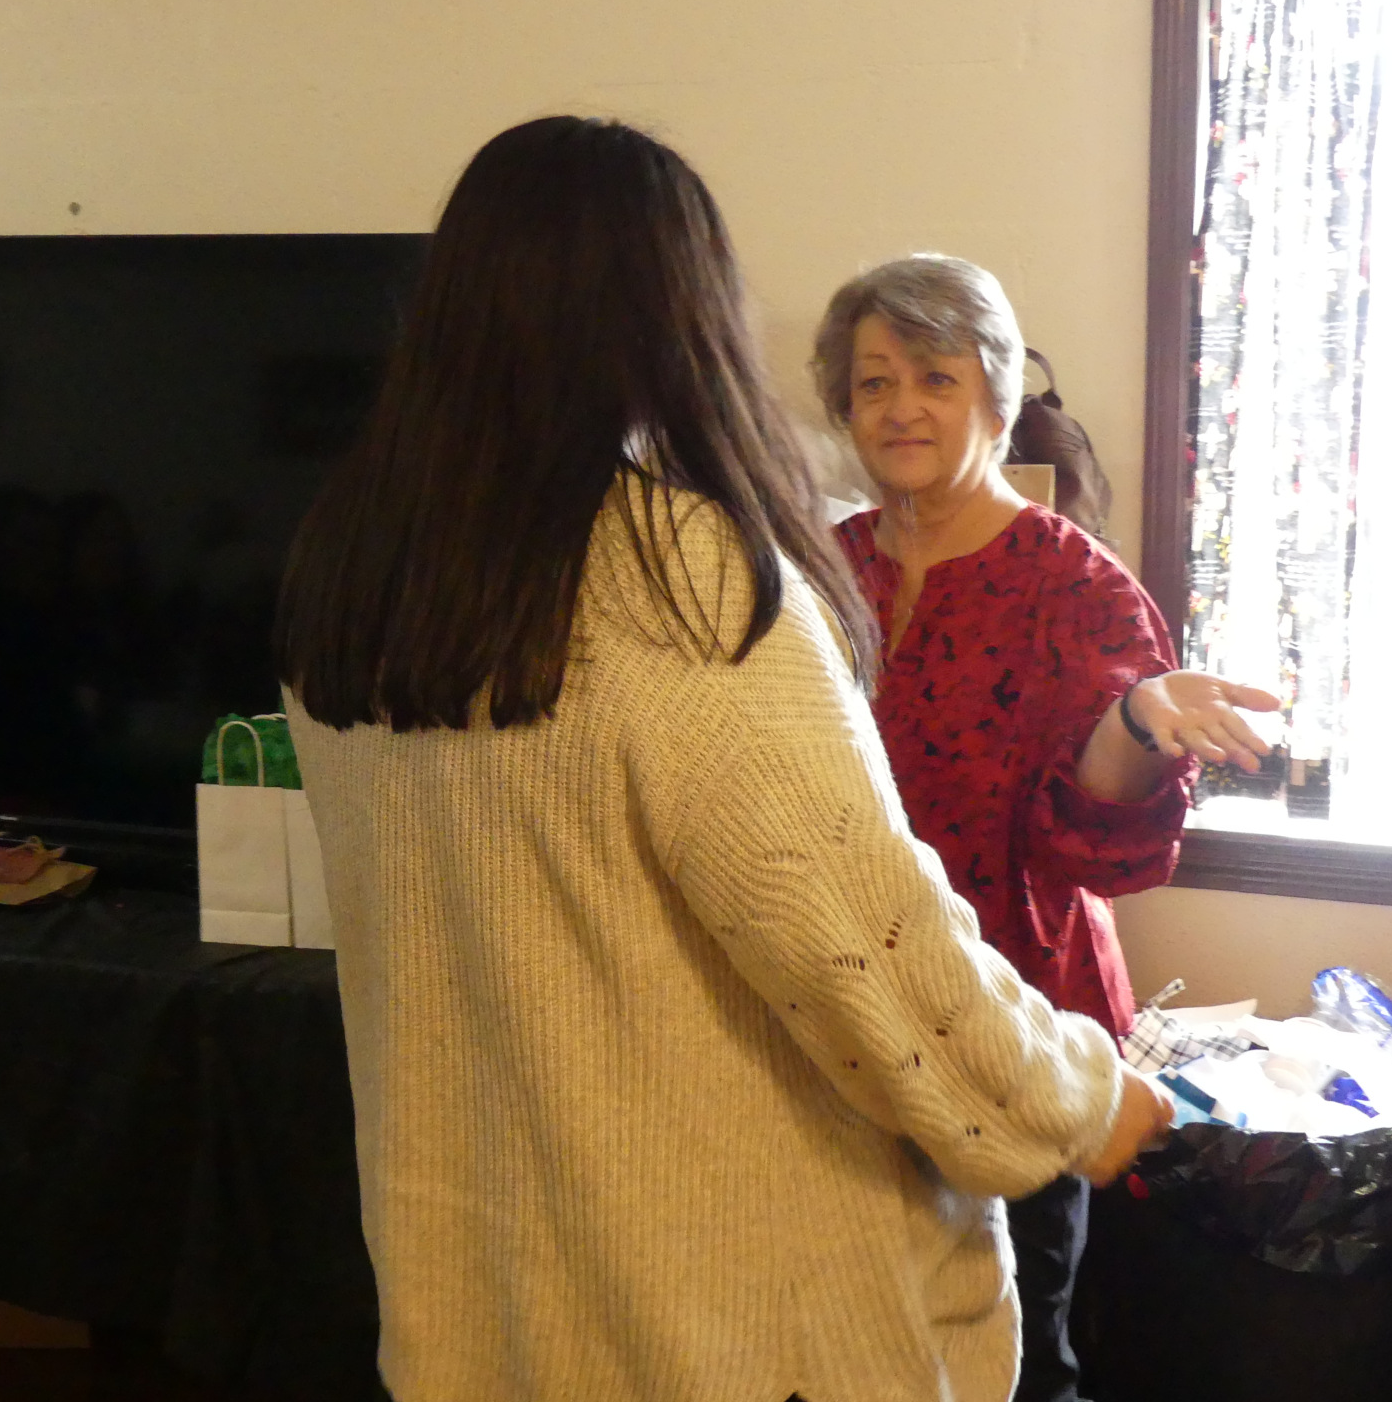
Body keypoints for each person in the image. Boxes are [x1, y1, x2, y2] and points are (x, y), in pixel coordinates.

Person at [276, 118, 1172, 1402]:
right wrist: (1077, 1098)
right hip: (715, 1310)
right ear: (678, 314)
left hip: (483, 1293)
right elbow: (860, 939)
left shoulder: (356, 570)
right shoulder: (676, 572)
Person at [813, 254, 1279, 1402]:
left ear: (995, 395)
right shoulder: (821, 570)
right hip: (847, 1012)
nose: (902, 407)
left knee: (1016, 1353)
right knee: (855, 1344)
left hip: (1015, 1021)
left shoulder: (1076, 584)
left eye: (935, 377)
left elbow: (1093, 843)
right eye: (874, 382)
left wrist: (1138, 720)